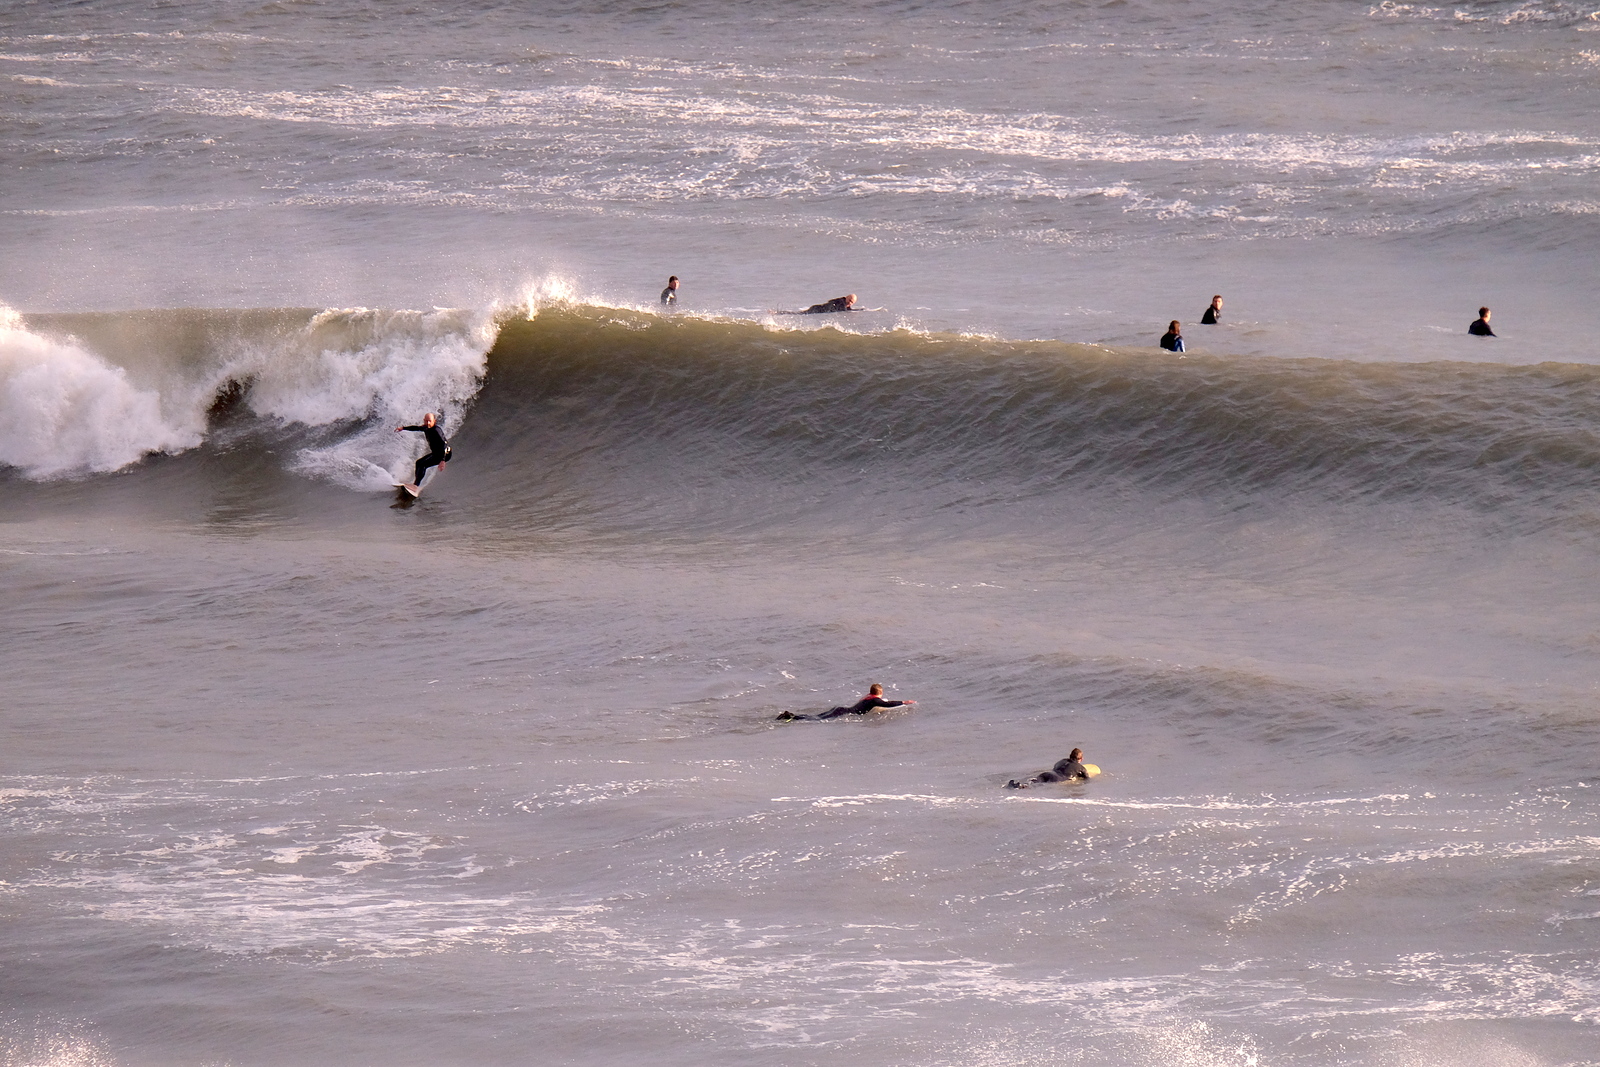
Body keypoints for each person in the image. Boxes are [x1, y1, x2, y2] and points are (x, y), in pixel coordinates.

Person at [775, 683, 916, 721]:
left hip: (841, 709)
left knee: (817, 716)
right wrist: (904, 702)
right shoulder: (875, 700)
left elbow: (881, 702)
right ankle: (791, 717)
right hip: (844, 712)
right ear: (879, 693)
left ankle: (792, 715)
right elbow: (886, 704)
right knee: (816, 719)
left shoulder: (868, 697)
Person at [394, 412, 451, 488]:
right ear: (424, 421)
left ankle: (415, 486)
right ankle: (415, 484)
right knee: (418, 463)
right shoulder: (426, 428)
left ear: (434, 421)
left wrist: (443, 460)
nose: (428, 423)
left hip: (445, 454)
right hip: (436, 453)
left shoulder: (436, 430)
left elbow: (444, 445)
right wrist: (403, 428)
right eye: (426, 421)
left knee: (422, 465)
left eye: (430, 421)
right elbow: (416, 428)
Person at [1006, 749, 1089, 789]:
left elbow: (1056, 766)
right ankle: (1022, 787)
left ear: (1070, 756)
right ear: (1081, 759)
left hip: (1048, 774)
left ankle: (1018, 784)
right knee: (1037, 786)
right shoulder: (1080, 767)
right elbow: (1087, 779)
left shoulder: (1062, 761)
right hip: (1057, 778)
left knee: (1035, 781)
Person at [789, 294, 859, 315]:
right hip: (816, 309)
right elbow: (831, 303)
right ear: (846, 297)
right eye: (849, 300)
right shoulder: (840, 301)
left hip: (818, 310)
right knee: (798, 314)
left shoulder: (847, 307)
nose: (849, 302)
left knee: (799, 313)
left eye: (852, 302)